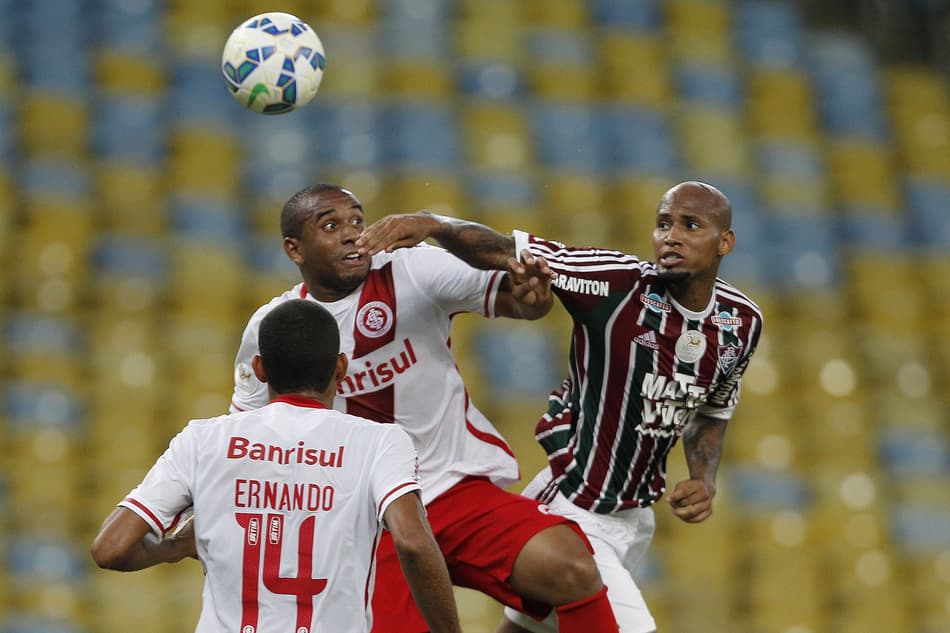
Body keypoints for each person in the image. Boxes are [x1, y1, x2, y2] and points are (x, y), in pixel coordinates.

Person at [356, 180, 765, 633]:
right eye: (663, 224)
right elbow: (509, 252)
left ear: (724, 241)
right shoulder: (617, 284)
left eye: (690, 226)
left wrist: (703, 478)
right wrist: (435, 224)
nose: (672, 237)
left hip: (636, 517)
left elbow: (713, 407)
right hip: (573, 507)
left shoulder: (742, 322)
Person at [229, 184, 619, 633]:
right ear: (294, 249)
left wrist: (534, 298)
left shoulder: (412, 270)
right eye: (331, 226)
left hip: (452, 490)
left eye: (357, 220)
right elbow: (249, 431)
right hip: (366, 521)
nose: (352, 233)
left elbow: (520, 298)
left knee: (571, 567)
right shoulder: (275, 327)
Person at [91, 299, 463, 633]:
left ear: (260, 368)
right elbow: (412, 541)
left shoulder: (202, 440)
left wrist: (176, 547)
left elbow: (111, 548)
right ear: (340, 367)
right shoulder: (379, 442)